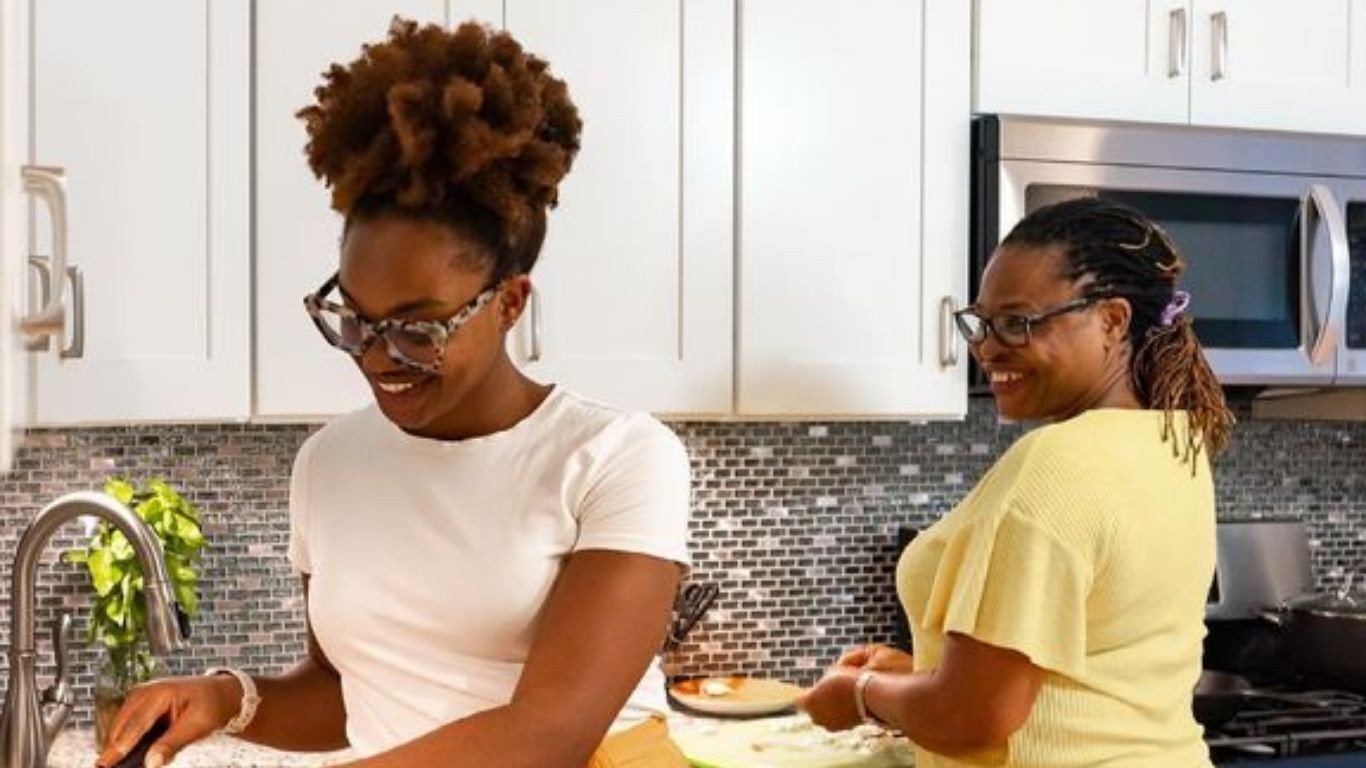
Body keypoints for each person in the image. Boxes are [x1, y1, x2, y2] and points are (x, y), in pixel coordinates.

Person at [97, 18, 692, 768]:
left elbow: (549, 733)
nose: (379, 357)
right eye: (354, 319)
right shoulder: (329, 462)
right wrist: (227, 698)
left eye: (418, 329)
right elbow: (348, 695)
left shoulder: (618, 457)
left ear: (509, 303)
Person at [799, 197, 1235, 768]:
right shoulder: (1173, 444)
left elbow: (971, 721)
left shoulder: (1058, 463)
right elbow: (1090, 672)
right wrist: (922, 675)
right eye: (982, 323)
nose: (986, 347)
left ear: (1112, 320)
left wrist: (859, 695)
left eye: (1017, 322)